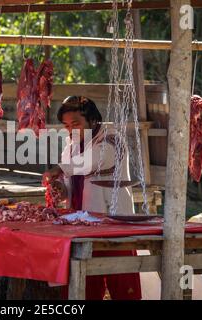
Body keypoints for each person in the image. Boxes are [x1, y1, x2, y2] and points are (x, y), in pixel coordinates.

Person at [43, 96, 141, 300]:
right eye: (67, 125)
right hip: (81, 225)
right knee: (85, 287)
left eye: (76, 124)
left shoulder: (112, 139)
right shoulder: (71, 145)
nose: (71, 130)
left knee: (123, 286)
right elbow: (71, 181)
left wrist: (59, 169)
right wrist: (61, 189)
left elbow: (94, 161)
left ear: (93, 121)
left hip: (114, 225)